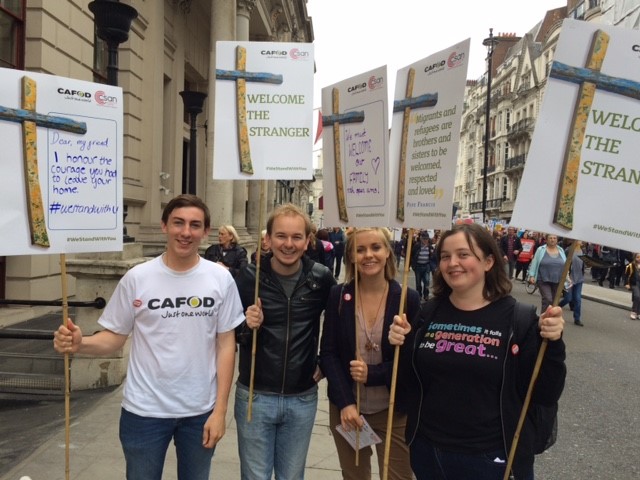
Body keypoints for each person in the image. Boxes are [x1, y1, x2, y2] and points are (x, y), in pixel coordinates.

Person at [52, 194, 245, 480]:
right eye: (178, 223)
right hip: (144, 411)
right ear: (164, 225)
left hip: (199, 411)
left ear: (206, 232)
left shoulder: (219, 279)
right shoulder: (137, 277)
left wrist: (220, 411)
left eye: (195, 225)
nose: (186, 232)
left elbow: (226, 345)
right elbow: (114, 338)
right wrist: (81, 343)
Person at [388, 223, 566, 480]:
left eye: (463, 254)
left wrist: (554, 343)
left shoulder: (519, 319)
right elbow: (407, 383)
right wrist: (400, 344)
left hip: (492, 458)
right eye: (446, 256)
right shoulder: (427, 313)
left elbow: (545, 393)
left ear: (488, 261)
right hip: (429, 452)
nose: (452, 263)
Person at [233, 204, 336, 479]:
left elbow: (340, 325)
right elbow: (227, 334)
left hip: (301, 397)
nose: (288, 244)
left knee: (291, 476)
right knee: (255, 476)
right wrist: (247, 325)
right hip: (255, 394)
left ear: (307, 241)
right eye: (281, 236)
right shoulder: (249, 278)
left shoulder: (321, 278)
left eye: (296, 237)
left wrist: (324, 362)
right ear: (268, 239)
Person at [320, 228, 419, 480]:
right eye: (360, 249)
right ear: (351, 256)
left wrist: (373, 374)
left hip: (393, 410)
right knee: (355, 475)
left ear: (387, 251)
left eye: (375, 247)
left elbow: (414, 360)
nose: (368, 255)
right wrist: (345, 402)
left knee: (398, 476)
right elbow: (328, 353)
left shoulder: (408, 298)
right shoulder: (339, 296)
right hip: (349, 408)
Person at [527, 234, 567, 313]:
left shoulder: (561, 250)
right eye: (550, 238)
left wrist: (567, 276)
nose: (552, 240)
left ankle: (550, 318)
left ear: (557, 240)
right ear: (547, 240)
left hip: (557, 280)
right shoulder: (541, 249)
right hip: (542, 279)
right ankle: (543, 319)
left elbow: (565, 264)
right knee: (548, 299)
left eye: (554, 238)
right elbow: (534, 262)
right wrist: (531, 275)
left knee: (554, 302)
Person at [558, 241, 586, 326]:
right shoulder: (568, 250)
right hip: (569, 279)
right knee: (568, 298)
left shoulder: (582, 251)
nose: (582, 242)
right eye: (580, 240)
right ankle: (556, 307)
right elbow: (563, 262)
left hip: (579, 279)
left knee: (577, 299)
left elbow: (583, 264)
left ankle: (577, 319)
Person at [411, 231, 433, 301]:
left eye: (426, 239)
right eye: (424, 239)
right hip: (418, 266)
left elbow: (432, 257)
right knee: (418, 283)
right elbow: (412, 255)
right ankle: (419, 295)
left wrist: (431, 266)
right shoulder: (417, 246)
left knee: (427, 282)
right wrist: (413, 266)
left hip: (426, 266)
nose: (425, 240)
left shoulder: (430, 247)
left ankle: (426, 295)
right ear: (421, 239)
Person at [624, 252, 640, 320]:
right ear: (635, 258)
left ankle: (638, 313)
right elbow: (626, 275)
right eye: (637, 257)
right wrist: (626, 283)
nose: (639, 259)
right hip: (634, 283)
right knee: (637, 296)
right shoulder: (631, 265)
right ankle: (634, 312)